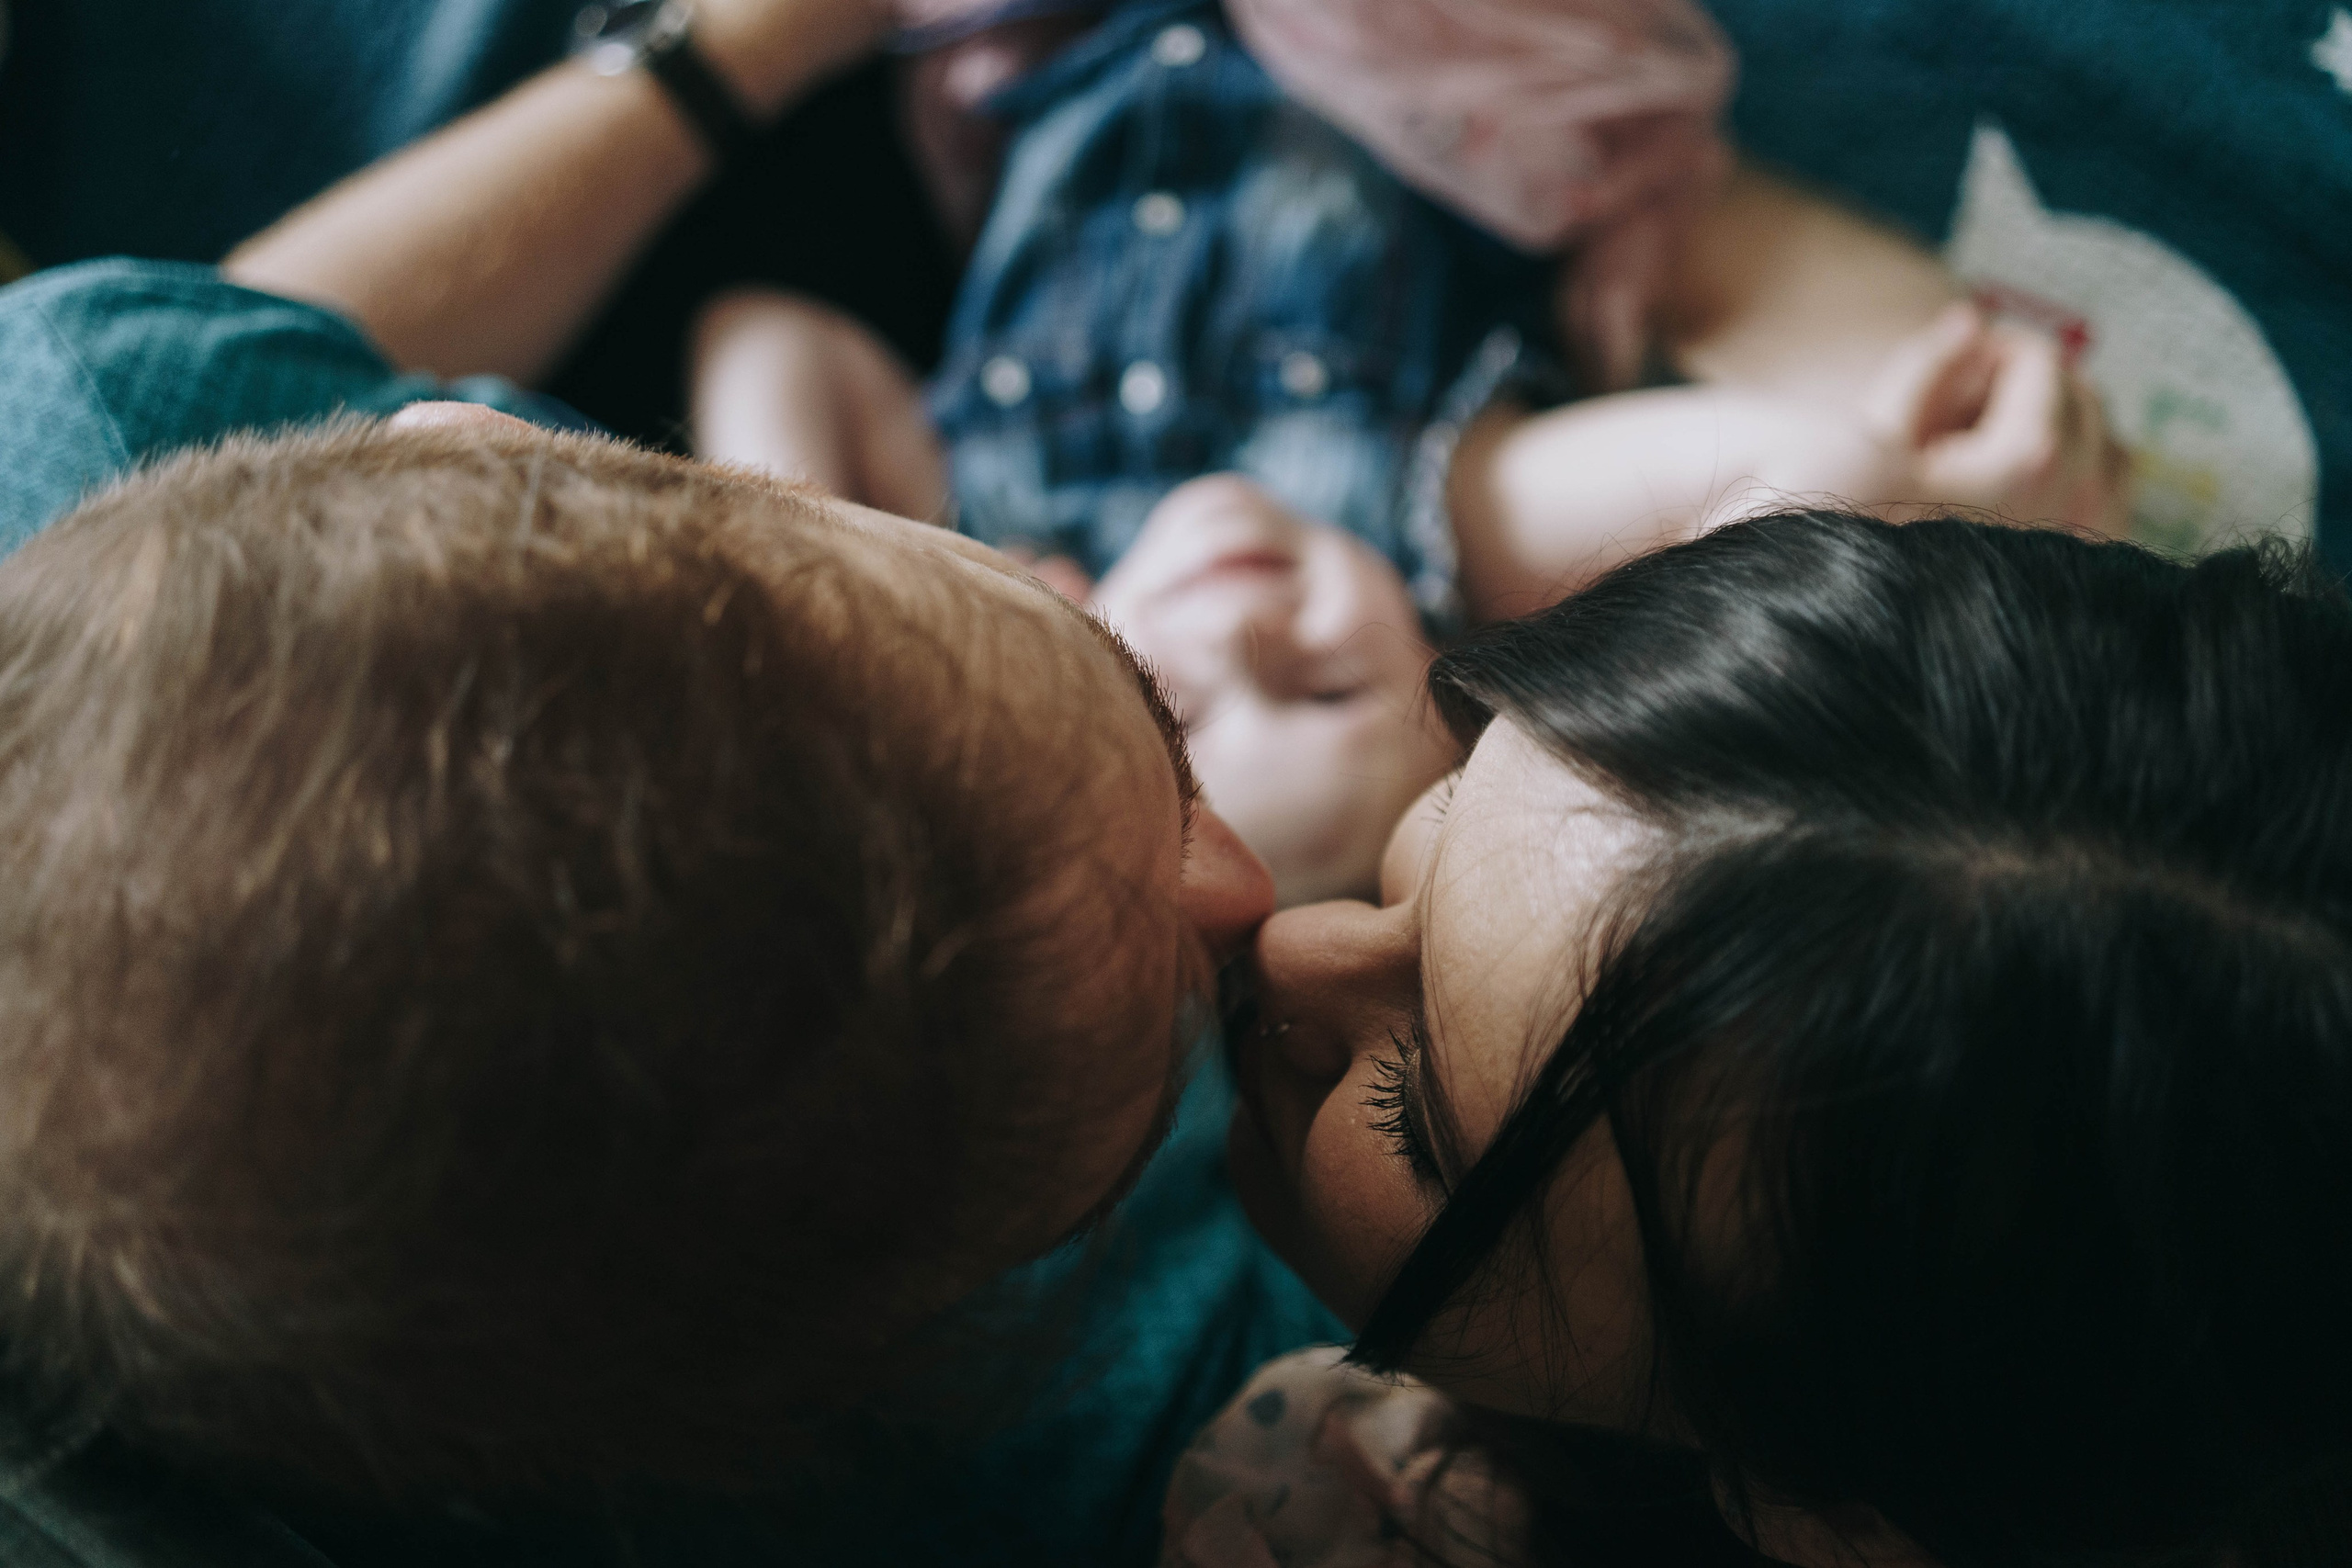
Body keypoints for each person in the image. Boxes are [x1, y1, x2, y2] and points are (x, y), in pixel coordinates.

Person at [1204, 510, 2352, 1566]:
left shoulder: (1318, 1508)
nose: (1283, 947)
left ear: (1835, 1518)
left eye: (1416, 1123)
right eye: (1456, 796)